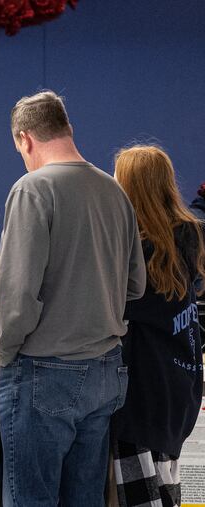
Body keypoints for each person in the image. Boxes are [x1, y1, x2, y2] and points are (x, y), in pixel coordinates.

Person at [0, 90, 147, 506]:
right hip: (105, 370)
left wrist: (4, 350)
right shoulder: (113, 191)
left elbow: (18, 296)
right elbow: (135, 286)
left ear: (25, 139)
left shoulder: (32, 189)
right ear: (68, 130)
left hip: (46, 371)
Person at [111, 145, 205, 507]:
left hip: (139, 402)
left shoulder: (136, 253)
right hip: (179, 395)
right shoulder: (188, 241)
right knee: (169, 494)